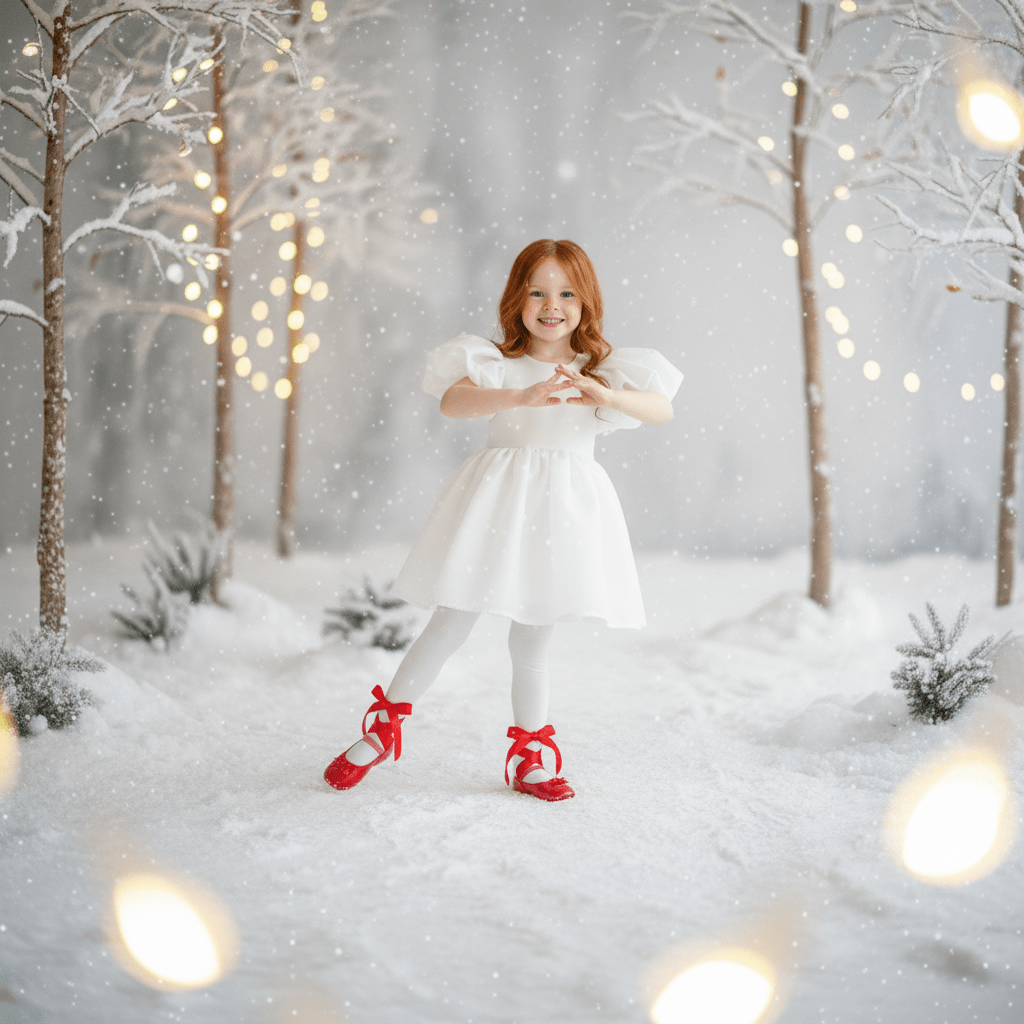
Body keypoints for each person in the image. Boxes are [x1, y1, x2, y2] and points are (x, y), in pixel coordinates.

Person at [323, 239, 682, 801]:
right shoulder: (499, 363)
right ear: (516, 299)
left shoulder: (601, 370)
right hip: (499, 506)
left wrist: (598, 392)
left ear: (586, 302)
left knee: (533, 642)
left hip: (560, 514)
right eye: (536, 292)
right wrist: (521, 395)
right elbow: (453, 402)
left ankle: (530, 756)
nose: (551, 305)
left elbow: (660, 409)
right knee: (450, 623)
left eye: (566, 293)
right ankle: (384, 727)